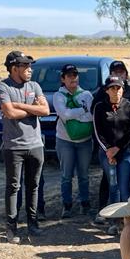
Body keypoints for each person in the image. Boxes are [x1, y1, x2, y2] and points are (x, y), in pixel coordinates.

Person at [0, 50, 48, 244]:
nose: (29, 70)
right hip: (14, 146)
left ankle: (33, 224)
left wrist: (21, 106)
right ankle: (11, 228)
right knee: (13, 187)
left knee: (33, 186)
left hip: (36, 144)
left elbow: (45, 110)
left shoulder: (34, 85)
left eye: (30, 66)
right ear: (13, 68)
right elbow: (9, 113)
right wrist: (29, 109)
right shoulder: (2, 86)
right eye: (25, 66)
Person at [92, 75, 130, 235]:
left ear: (123, 89)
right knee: (113, 186)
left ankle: (127, 223)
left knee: (125, 188)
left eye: (118, 88)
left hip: (125, 153)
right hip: (106, 153)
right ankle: (114, 222)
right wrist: (109, 149)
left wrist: (118, 148)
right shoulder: (99, 107)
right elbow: (97, 132)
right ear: (106, 90)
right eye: (112, 88)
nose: (116, 91)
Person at [52, 64, 95, 218]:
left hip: (85, 141)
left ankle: (85, 203)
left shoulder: (87, 95)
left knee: (84, 174)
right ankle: (67, 205)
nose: (73, 78)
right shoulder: (58, 96)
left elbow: (91, 116)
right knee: (66, 175)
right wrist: (82, 110)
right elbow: (64, 115)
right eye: (69, 76)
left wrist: (75, 113)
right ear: (63, 79)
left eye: (75, 75)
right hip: (65, 141)